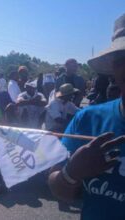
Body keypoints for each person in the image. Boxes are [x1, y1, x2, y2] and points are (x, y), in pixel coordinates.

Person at [48, 14, 125, 220]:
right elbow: (57, 189)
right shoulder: (88, 119)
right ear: (114, 68)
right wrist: (71, 173)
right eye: (122, 58)